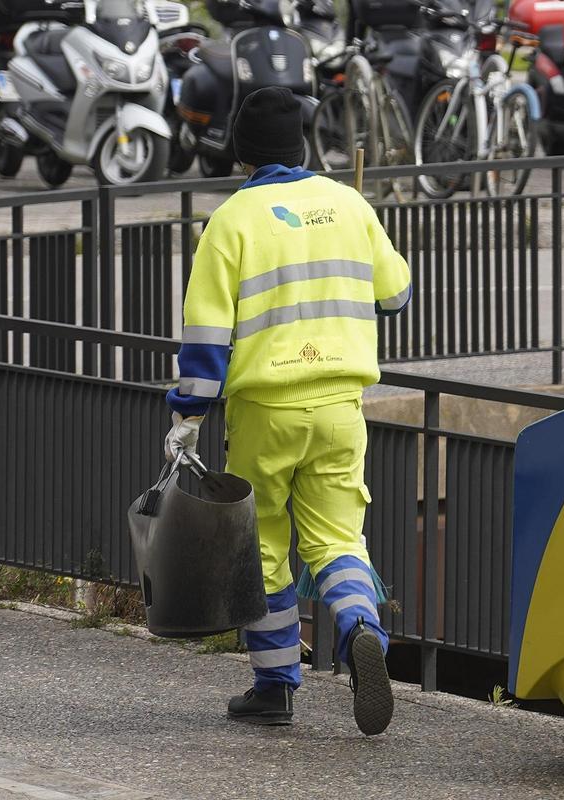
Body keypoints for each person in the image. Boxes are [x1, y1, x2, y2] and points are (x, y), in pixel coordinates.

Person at [161, 86, 411, 736]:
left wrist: (187, 413)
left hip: (265, 412)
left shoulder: (231, 222)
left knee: (264, 546)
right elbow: (398, 294)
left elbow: (208, 337)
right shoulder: (347, 202)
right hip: (340, 408)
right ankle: (362, 629)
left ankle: (274, 687)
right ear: (302, 145)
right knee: (337, 541)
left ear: (241, 153)